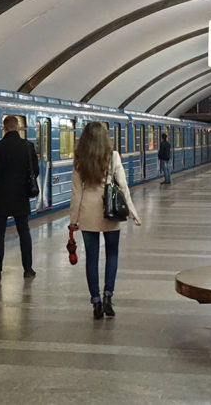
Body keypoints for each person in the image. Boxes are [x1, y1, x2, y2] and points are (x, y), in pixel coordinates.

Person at [68, 121, 141, 319]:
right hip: (109, 210)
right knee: (112, 254)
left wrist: (73, 220)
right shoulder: (113, 156)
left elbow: (76, 192)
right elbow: (123, 186)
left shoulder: (79, 159)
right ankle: (108, 296)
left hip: (87, 212)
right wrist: (133, 212)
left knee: (91, 258)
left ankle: (96, 302)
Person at [0, 115, 39, 279]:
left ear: (4, 128)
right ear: (18, 128)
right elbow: (35, 171)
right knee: (24, 232)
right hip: (21, 197)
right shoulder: (28, 146)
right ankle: (28, 269)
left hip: (1, 197)